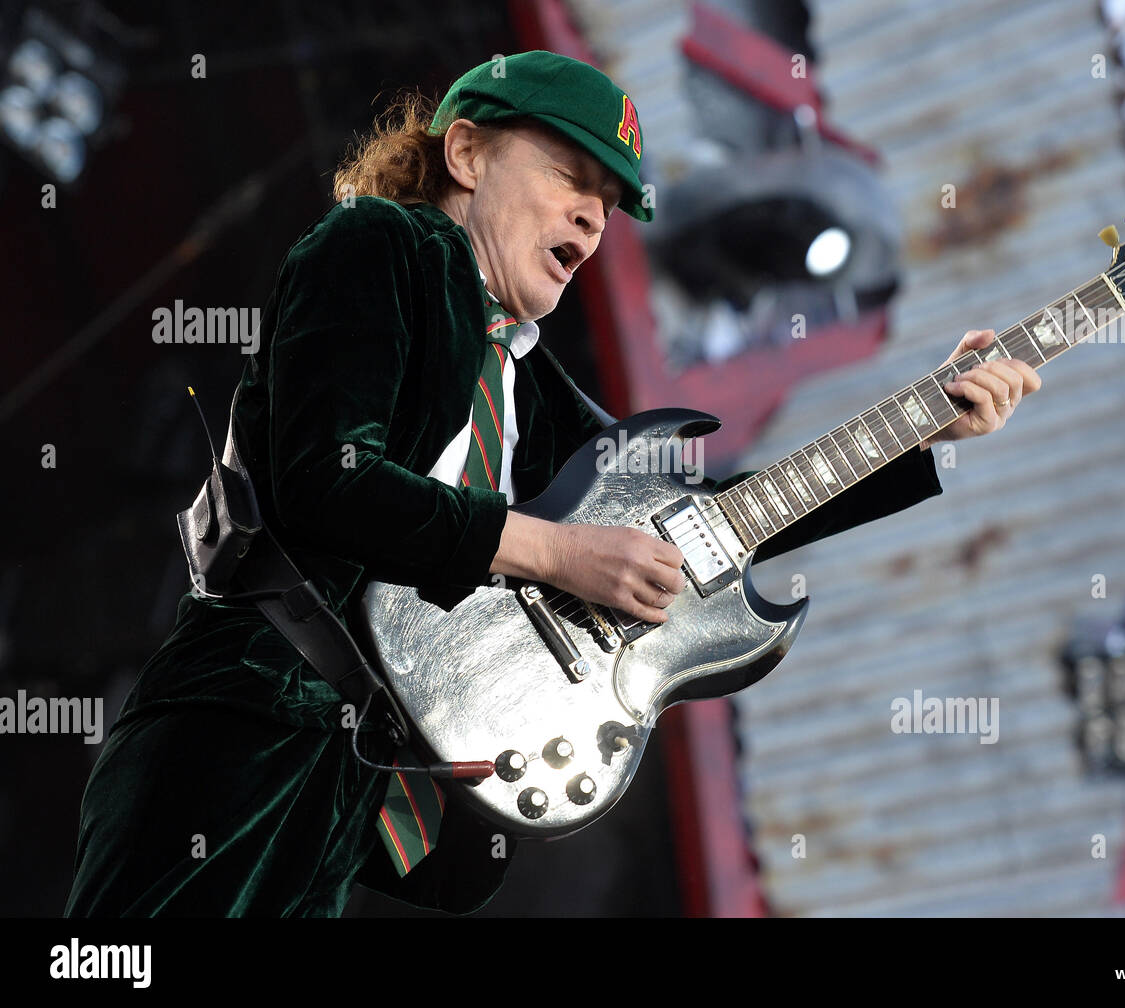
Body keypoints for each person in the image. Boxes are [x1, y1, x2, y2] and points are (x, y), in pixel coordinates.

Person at [64, 50, 1042, 917]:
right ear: (466, 156)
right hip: (245, 721)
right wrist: (558, 551)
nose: (592, 215)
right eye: (571, 176)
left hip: (349, 778)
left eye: (609, 206)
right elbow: (331, 478)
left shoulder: (519, 371)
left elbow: (698, 523)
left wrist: (925, 430)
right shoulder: (382, 248)